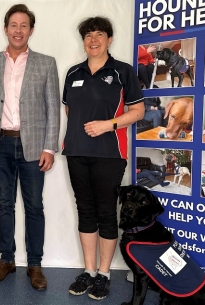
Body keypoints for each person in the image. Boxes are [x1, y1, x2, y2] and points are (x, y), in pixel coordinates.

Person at [0, 3, 60, 291]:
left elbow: (53, 107)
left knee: (34, 206)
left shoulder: (46, 63)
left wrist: (50, 147)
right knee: (4, 204)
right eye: (13, 25)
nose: (18, 30)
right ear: (5, 29)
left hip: (34, 146)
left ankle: (35, 264)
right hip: (1, 145)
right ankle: (7, 259)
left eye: (24, 25)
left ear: (31, 30)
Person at [62, 16, 144, 300]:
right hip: (75, 152)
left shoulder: (122, 71)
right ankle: (89, 270)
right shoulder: (73, 72)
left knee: (106, 212)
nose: (93, 40)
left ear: (109, 39)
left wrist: (107, 124)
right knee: (85, 211)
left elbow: (138, 112)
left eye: (99, 34)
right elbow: (70, 111)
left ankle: (105, 274)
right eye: (88, 35)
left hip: (110, 153)